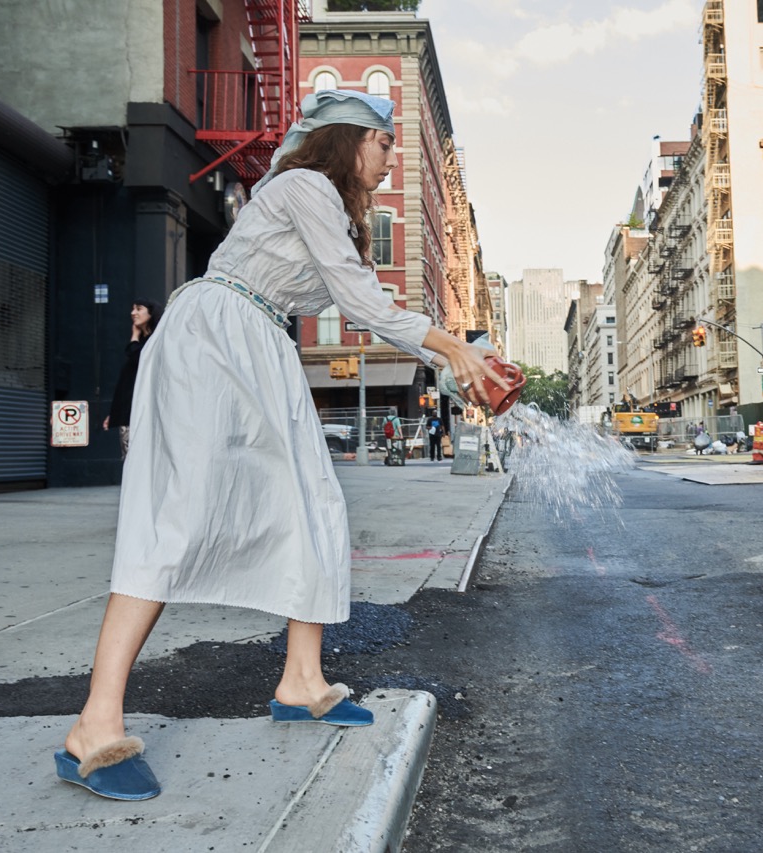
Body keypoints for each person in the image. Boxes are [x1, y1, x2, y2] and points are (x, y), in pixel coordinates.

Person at [54, 90, 509, 802]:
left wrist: (457, 363)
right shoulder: (303, 186)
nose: (390, 160)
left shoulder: (329, 210)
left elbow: (361, 301)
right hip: (216, 334)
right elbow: (364, 303)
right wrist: (452, 344)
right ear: (350, 139)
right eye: (385, 144)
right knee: (177, 519)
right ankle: (94, 722)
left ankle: (302, 680)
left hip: (261, 342)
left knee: (315, 508)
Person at [102, 300, 162, 461]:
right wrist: (114, 413)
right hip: (130, 410)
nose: (133, 313)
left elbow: (140, 360)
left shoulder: (155, 340)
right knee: (129, 457)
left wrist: (134, 337)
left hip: (145, 410)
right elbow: (126, 384)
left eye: (139, 309)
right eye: (132, 309)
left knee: (136, 458)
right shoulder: (142, 342)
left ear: (151, 314)